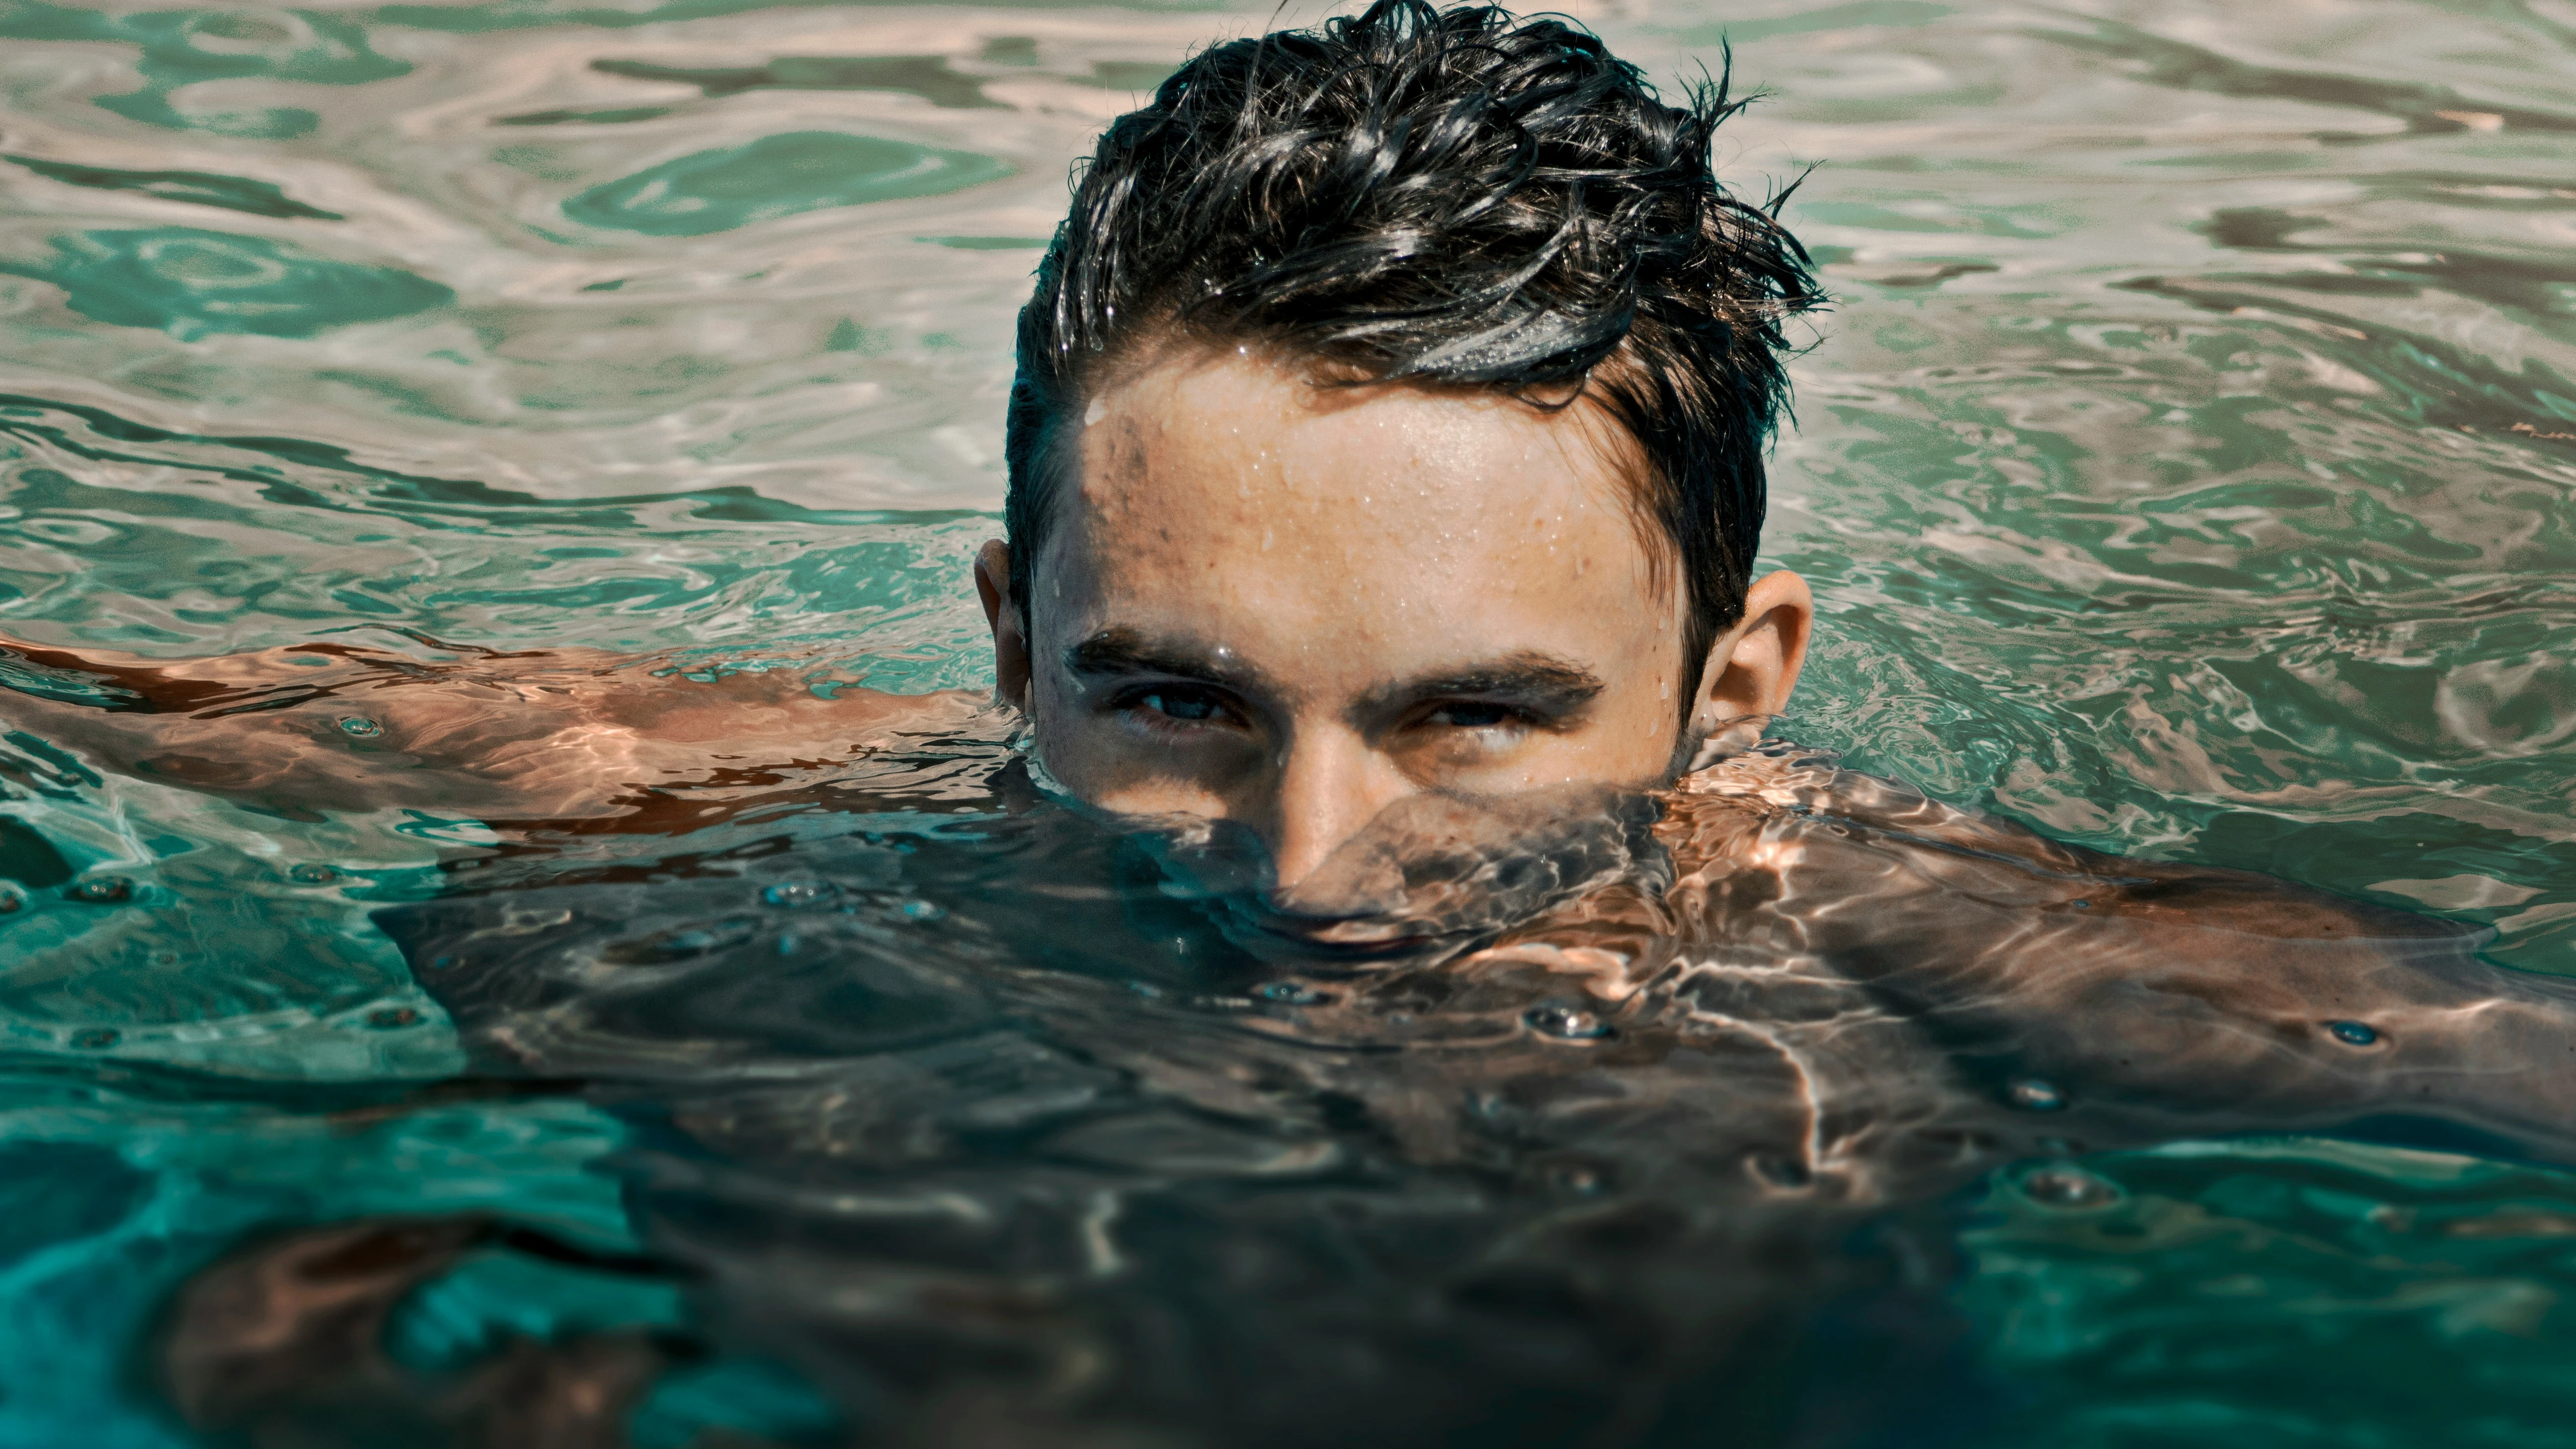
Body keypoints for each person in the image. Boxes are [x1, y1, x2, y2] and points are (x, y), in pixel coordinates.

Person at [0, 1, 2568, 1158]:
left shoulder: (2001, 966)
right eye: (1180, 708)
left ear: (1739, 677)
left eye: (1474, 717)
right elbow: (151, 698)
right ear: (1012, 637)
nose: (1311, 876)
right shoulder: (673, 810)